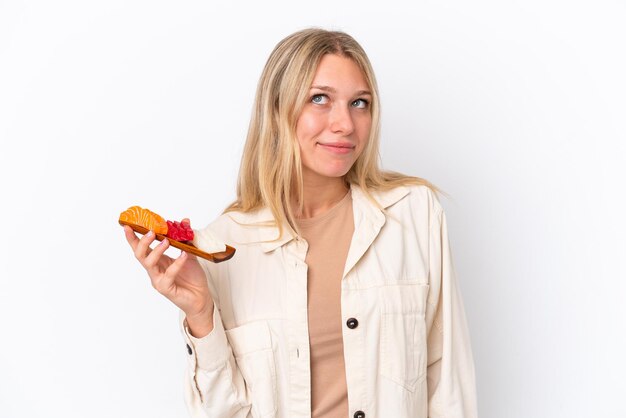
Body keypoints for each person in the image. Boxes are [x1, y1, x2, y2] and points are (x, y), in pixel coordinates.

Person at [123, 28, 477, 418]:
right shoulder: (220, 246)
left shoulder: (413, 215)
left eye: (360, 103)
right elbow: (225, 411)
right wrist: (201, 316)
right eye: (319, 99)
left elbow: (448, 384)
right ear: (277, 110)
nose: (345, 123)